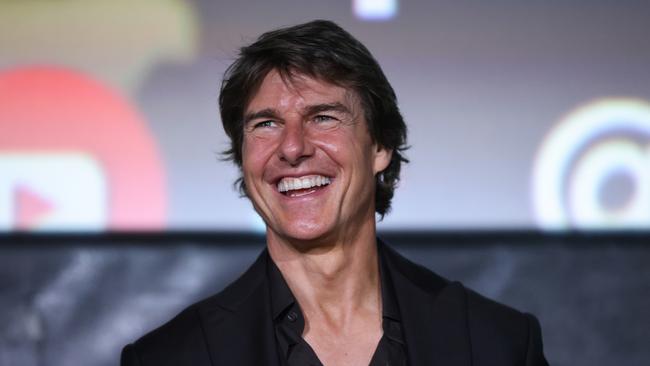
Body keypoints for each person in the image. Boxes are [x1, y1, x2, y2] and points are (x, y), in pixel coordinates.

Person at [121, 20, 549, 366]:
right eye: (265, 124)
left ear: (380, 147)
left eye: (323, 117)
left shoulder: (498, 344)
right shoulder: (172, 357)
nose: (292, 147)